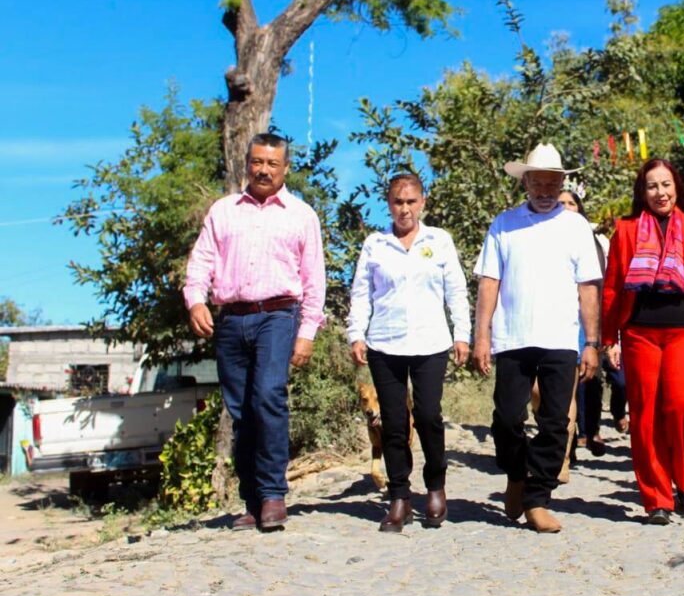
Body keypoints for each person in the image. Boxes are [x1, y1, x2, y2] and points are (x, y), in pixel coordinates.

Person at [183, 133, 325, 532]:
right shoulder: (224, 211)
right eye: (257, 162)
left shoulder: (301, 215)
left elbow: (314, 278)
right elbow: (201, 262)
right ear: (247, 164)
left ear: (285, 168)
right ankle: (252, 500)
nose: (264, 170)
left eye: (272, 164)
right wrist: (195, 300)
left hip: (278, 315)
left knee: (268, 396)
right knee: (241, 410)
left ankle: (274, 494)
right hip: (230, 319)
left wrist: (307, 331)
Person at [473, 143, 602, 534]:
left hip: (561, 338)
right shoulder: (504, 224)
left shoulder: (577, 227)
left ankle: (537, 498)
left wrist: (592, 342)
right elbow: (489, 281)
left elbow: (589, 287)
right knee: (507, 418)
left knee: (555, 423)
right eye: (538, 182)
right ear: (525, 182)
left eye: (552, 183)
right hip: (512, 337)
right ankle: (516, 473)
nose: (545, 190)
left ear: (562, 182)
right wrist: (481, 335)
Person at [602, 158, 684, 525]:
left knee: (681, 406)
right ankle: (657, 497)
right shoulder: (625, 231)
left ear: (677, 187)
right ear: (643, 192)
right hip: (639, 332)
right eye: (652, 186)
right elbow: (612, 288)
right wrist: (609, 337)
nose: (660, 192)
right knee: (644, 415)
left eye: (666, 184)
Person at [346, 173, 471, 532]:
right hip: (385, 343)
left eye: (411, 201)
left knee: (429, 416)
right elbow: (361, 293)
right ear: (388, 204)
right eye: (398, 202)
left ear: (423, 202)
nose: (405, 209)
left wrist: (461, 334)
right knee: (395, 423)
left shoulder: (439, 241)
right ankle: (399, 497)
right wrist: (357, 333)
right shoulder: (376, 244)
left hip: (430, 342)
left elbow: (456, 291)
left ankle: (435, 485)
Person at [557, 188, 621, 459]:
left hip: (588, 316)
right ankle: (568, 441)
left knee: (589, 378)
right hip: (557, 316)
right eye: (561, 203)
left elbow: (605, 284)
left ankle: (591, 429)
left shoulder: (597, 242)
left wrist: (608, 330)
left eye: (572, 203)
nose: (566, 207)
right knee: (562, 382)